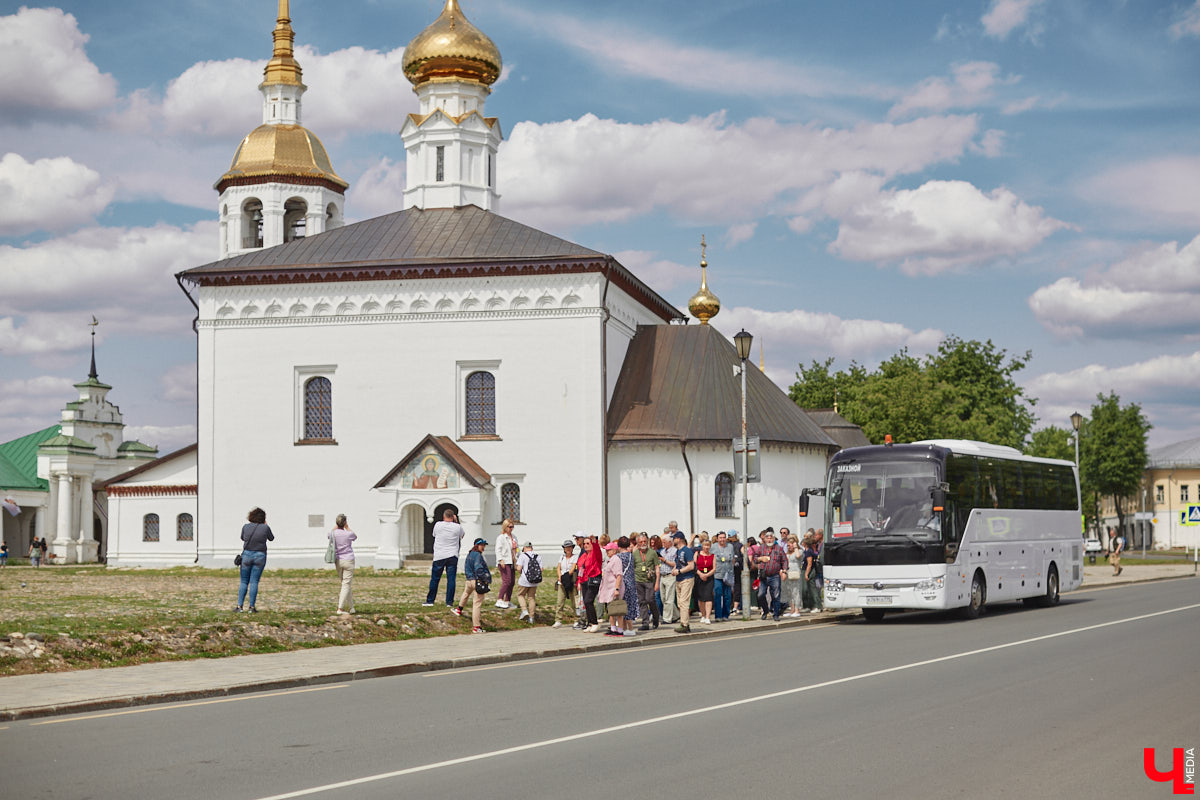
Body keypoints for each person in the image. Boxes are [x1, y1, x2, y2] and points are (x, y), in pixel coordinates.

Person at [423, 508, 465, 607]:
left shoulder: (438, 525)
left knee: (435, 579)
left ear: (444, 516)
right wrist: (456, 522)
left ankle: (430, 601)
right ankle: (449, 602)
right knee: (451, 579)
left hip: (439, 555)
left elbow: (434, 534)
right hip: (452, 555)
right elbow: (462, 535)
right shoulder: (457, 527)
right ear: (453, 517)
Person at [236, 507, 274, 612]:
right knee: (254, 582)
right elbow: (271, 538)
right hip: (260, 555)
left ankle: (239, 606)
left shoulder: (246, 527)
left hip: (247, 555)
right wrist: (265, 525)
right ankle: (251, 607)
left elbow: (243, 538)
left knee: (243, 581)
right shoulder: (265, 528)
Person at [453, 537, 490, 633]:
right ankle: (476, 627)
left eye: (484, 545)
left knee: (466, 593)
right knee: (477, 603)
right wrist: (485, 578)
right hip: (477, 580)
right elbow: (478, 569)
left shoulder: (469, 554)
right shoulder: (478, 555)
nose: (483, 547)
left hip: (469, 580)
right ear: (477, 545)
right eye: (482, 545)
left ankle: (459, 609)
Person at [754, 529, 787, 621]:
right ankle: (765, 611)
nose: (769, 540)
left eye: (771, 538)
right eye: (767, 538)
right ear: (764, 539)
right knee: (760, 594)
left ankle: (776, 614)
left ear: (774, 539)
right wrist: (761, 558)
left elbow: (784, 561)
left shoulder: (779, 548)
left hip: (775, 575)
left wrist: (784, 571)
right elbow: (755, 559)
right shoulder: (761, 548)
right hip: (763, 575)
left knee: (776, 595)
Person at [328, 513, 357, 615]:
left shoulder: (333, 533)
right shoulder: (348, 534)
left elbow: (329, 534)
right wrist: (347, 527)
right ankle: (340, 609)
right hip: (348, 560)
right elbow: (355, 536)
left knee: (345, 584)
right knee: (346, 584)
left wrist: (336, 526)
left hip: (338, 561)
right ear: (344, 522)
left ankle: (352, 607)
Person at [633, 533, 661, 630]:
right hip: (638, 580)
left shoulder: (652, 552)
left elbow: (657, 567)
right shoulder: (635, 553)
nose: (643, 543)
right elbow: (633, 567)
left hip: (649, 580)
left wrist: (657, 582)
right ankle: (645, 623)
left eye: (645, 541)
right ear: (638, 543)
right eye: (641, 542)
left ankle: (656, 617)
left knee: (650, 600)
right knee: (641, 601)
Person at [598, 540, 626, 636]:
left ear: (614, 550)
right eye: (606, 550)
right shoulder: (609, 560)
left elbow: (619, 575)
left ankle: (620, 629)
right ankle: (613, 628)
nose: (607, 552)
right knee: (611, 610)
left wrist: (617, 589)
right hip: (608, 589)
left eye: (609, 550)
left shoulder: (616, 560)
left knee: (617, 610)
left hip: (614, 589)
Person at [576, 536, 603, 632]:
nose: (586, 545)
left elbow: (597, 549)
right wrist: (579, 581)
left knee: (588, 600)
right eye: (585, 544)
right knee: (586, 603)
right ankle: (590, 623)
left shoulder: (595, 554)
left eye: (588, 543)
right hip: (584, 580)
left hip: (593, 579)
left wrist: (594, 542)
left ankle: (595, 622)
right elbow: (580, 569)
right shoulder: (583, 556)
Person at [671, 531, 695, 633]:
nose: (673, 540)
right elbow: (678, 564)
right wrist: (674, 569)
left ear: (679, 539)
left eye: (674, 538)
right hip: (679, 579)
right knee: (680, 603)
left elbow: (691, 566)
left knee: (684, 602)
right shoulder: (678, 551)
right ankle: (685, 623)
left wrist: (679, 571)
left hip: (687, 578)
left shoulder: (687, 550)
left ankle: (684, 624)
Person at [494, 519, 518, 609]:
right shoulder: (501, 537)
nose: (511, 529)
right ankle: (499, 599)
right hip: (504, 561)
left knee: (512, 582)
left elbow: (516, 549)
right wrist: (501, 560)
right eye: (509, 527)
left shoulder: (514, 537)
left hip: (512, 561)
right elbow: (498, 549)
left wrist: (516, 560)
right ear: (505, 527)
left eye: (512, 527)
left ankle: (507, 600)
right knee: (506, 581)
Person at [554, 539, 578, 628]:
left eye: (570, 547)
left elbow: (572, 568)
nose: (568, 549)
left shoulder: (575, 557)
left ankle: (577, 619)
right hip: (562, 582)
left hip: (571, 581)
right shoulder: (562, 557)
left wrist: (566, 577)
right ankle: (558, 620)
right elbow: (558, 567)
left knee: (574, 602)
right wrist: (560, 576)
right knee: (560, 601)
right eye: (566, 547)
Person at [515, 542, 541, 622]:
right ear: (531, 548)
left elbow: (519, 568)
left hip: (524, 580)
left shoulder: (523, 556)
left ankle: (524, 611)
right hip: (534, 581)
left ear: (525, 548)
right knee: (531, 598)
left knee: (520, 595)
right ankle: (531, 618)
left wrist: (522, 574)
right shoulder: (538, 556)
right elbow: (541, 569)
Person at [711, 531, 735, 620]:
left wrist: (732, 573)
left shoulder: (730, 547)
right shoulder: (713, 547)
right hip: (717, 574)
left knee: (727, 596)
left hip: (727, 575)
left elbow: (732, 559)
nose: (722, 539)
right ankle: (718, 615)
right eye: (720, 538)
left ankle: (726, 615)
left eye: (724, 537)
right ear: (717, 539)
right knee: (717, 594)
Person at [694, 536, 715, 624]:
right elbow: (694, 566)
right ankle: (703, 615)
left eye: (708, 546)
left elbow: (714, 568)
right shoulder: (697, 553)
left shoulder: (713, 556)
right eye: (705, 545)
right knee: (701, 598)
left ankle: (708, 617)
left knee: (708, 597)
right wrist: (701, 574)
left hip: (709, 577)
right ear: (702, 546)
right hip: (699, 576)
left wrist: (707, 575)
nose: (706, 547)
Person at [659, 532, 678, 625]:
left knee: (669, 598)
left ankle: (667, 618)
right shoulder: (662, 551)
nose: (663, 544)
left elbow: (675, 564)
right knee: (663, 598)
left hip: (670, 575)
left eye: (664, 542)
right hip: (662, 576)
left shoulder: (674, 551)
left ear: (670, 542)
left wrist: (665, 560)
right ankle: (676, 615)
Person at [802, 533, 823, 613]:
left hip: (810, 571)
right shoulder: (807, 551)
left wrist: (806, 574)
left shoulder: (809, 552)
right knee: (808, 590)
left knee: (812, 589)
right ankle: (810, 606)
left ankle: (817, 606)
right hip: (807, 570)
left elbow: (809, 564)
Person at [784, 535, 804, 617]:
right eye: (787, 545)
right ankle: (792, 610)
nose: (788, 547)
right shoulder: (787, 553)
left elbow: (798, 556)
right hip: (788, 573)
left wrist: (795, 547)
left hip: (795, 573)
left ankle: (797, 610)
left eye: (790, 545)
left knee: (796, 592)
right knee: (790, 592)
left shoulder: (799, 551)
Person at [729, 532, 743, 615]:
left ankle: (732, 607)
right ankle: (735, 607)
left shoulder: (727, 545)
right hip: (737, 569)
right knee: (737, 587)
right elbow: (744, 555)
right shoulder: (739, 545)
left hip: (728, 569)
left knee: (729, 588)